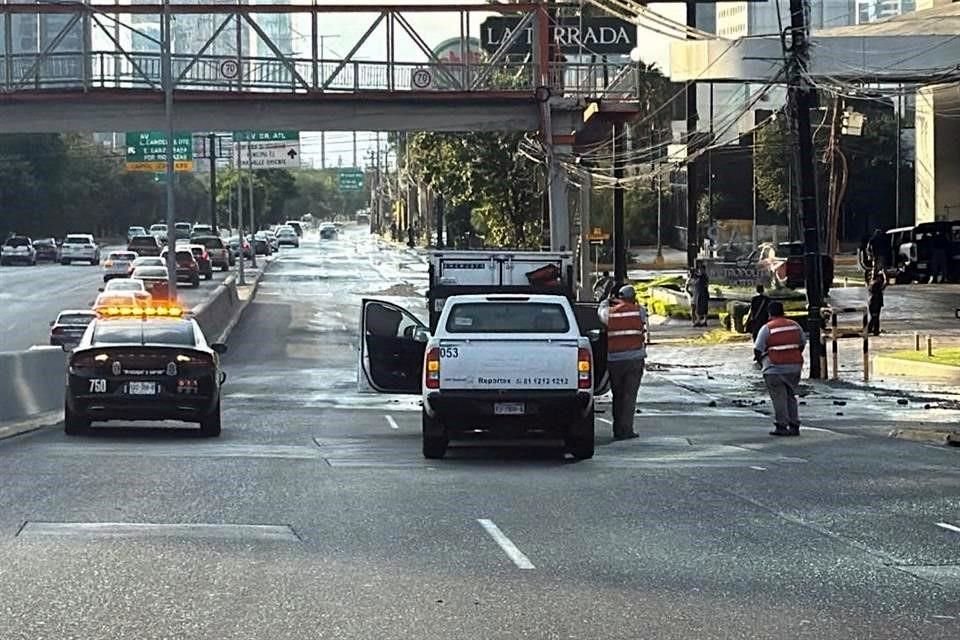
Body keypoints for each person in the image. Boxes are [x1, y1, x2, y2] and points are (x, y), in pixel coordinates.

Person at [598, 285, 647, 440]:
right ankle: (626, 430)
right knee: (629, 397)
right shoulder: (639, 311)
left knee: (617, 396)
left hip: (615, 361)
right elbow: (643, 315)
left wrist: (606, 300)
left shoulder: (610, 314)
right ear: (633, 297)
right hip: (634, 360)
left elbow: (600, 312)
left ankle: (617, 429)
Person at [753, 301, 806, 437]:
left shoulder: (767, 328)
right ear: (783, 311)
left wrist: (762, 362)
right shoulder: (795, 326)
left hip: (774, 368)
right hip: (794, 367)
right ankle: (794, 425)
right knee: (790, 395)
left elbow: (757, 349)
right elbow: (802, 344)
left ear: (770, 313)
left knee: (779, 397)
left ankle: (781, 425)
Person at [867, 269, 887, 336]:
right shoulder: (876, 284)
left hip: (873, 303)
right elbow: (885, 284)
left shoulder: (871, 283)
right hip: (875, 303)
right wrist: (884, 275)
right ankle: (869, 329)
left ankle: (875, 330)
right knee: (874, 317)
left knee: (875, 318)